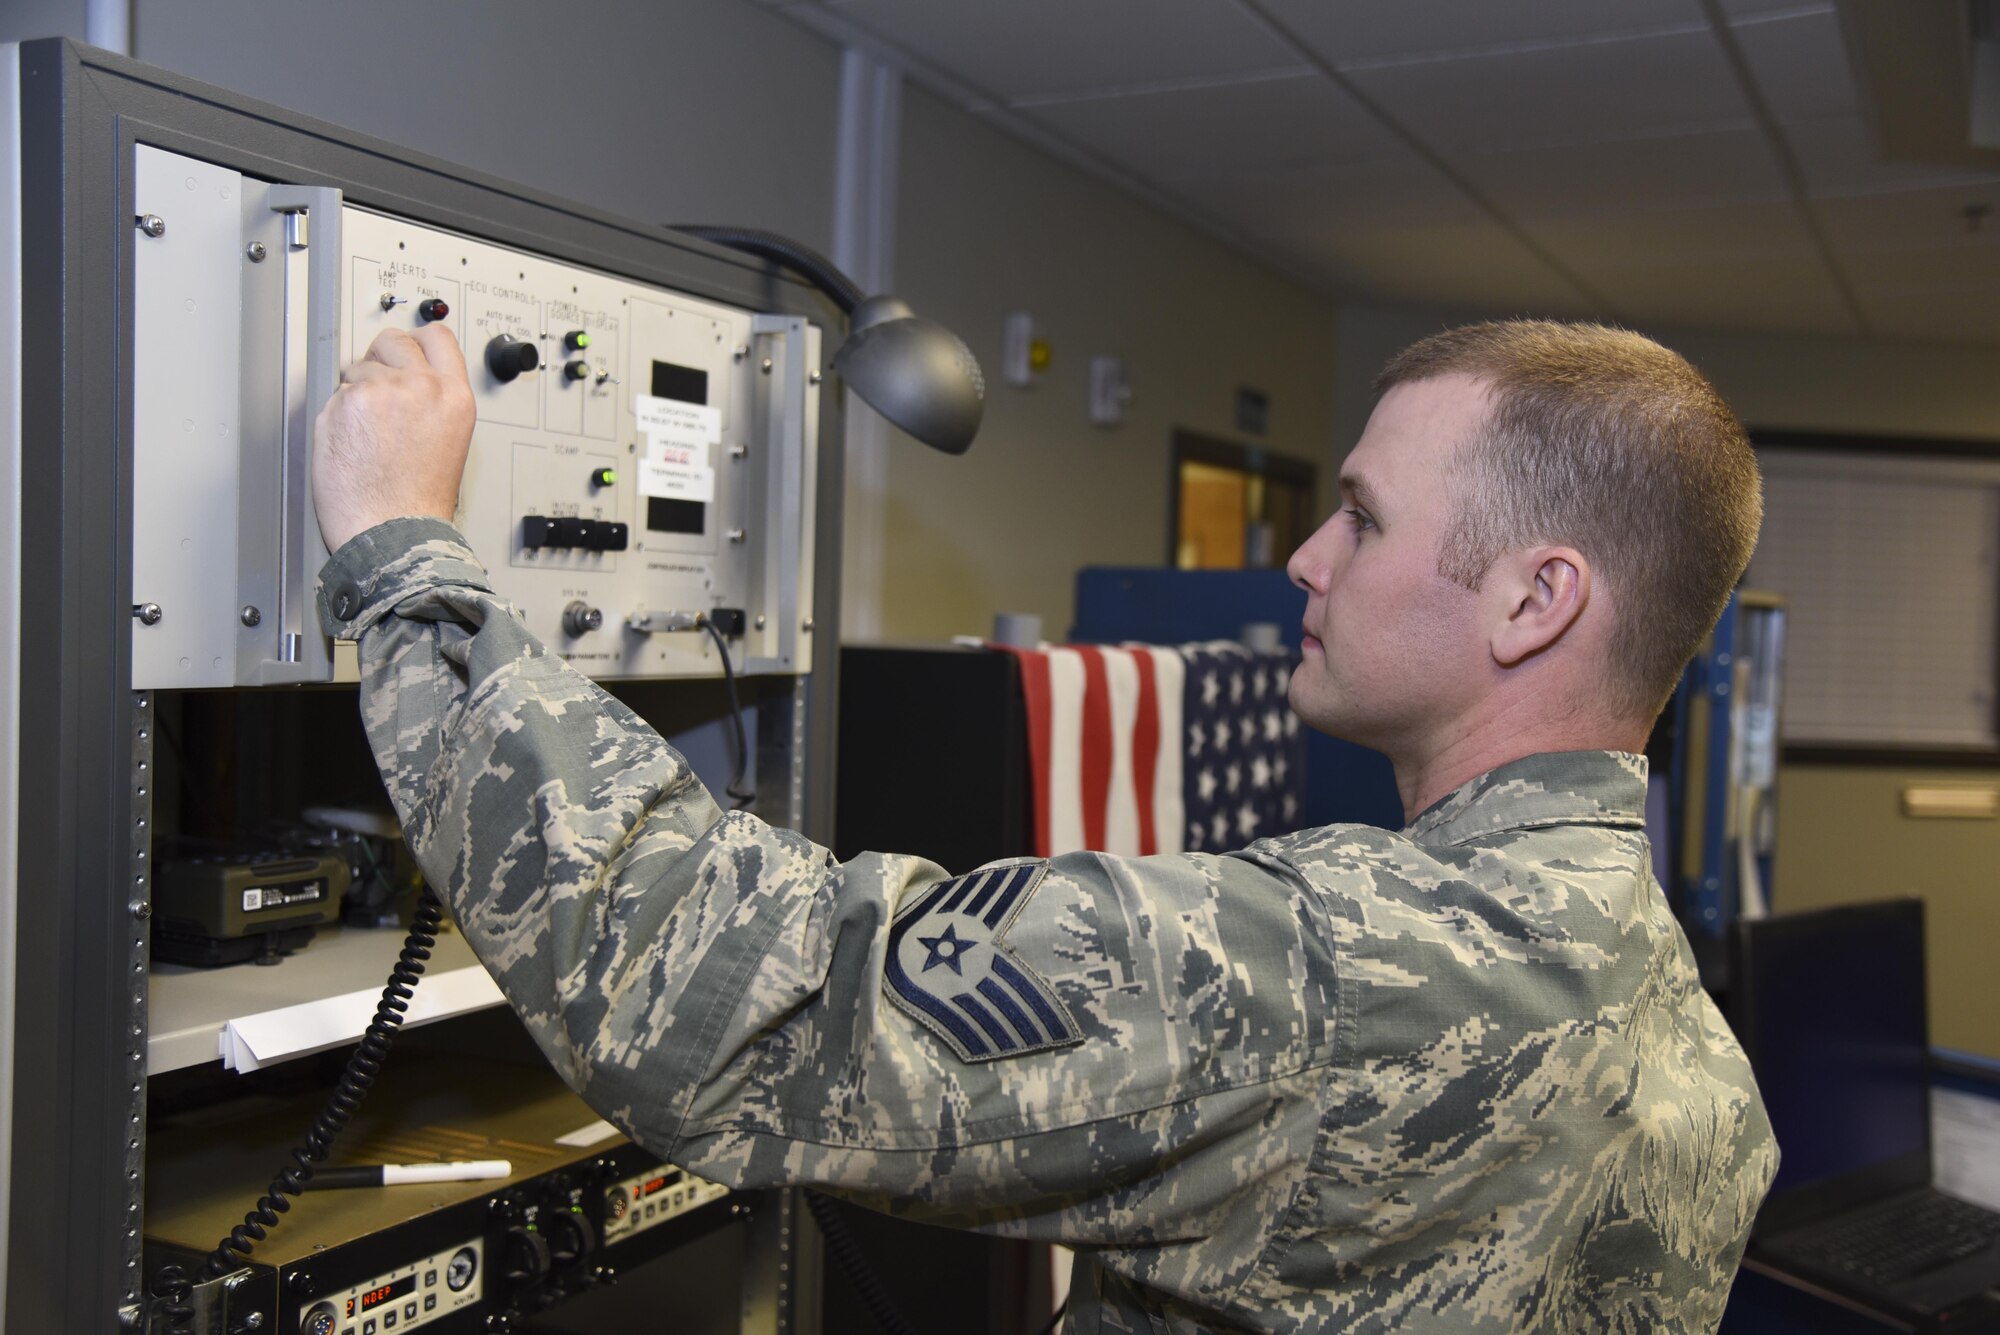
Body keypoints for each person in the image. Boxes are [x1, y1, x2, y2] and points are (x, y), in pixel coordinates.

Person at [311, 317, 1777, 1334]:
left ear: (1538, 599)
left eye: (1365, 519)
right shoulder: (1700, 1057)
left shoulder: (1346, 963)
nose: (1303, 557)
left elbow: (716, 990)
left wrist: (401, 553)